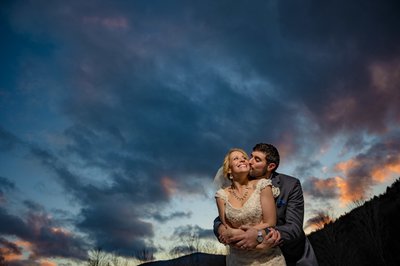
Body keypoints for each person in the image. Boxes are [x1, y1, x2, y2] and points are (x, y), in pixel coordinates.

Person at [214, 143, 319, 266]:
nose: (249, 161)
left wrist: (260, 235)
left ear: (270, 166)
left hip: (292, 256)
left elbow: (294, 228)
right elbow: (224, 216)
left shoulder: (290, 185)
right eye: (251, 156)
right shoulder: (240, 180)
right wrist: (221, 229)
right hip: (244, 257)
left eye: (257, 160)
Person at [214, 148, 286, 266]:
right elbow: (227, 230)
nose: (242, 160)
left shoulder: (263, 185)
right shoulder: (221, 196)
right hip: (237, 261)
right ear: (229, 170)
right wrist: (231, 235)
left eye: (244, 158)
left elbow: (270, 222)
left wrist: (255, 238)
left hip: (269, 259)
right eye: (236, 158)